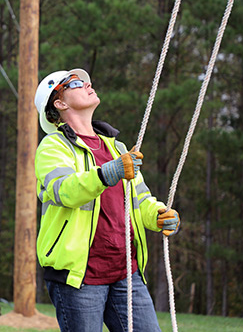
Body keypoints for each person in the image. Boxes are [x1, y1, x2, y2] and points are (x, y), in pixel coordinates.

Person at [34, 68, 181, 332]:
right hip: (80, 277)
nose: (88, 84)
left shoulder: (117, 148)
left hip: (126, 271)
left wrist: (159, 215)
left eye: (87, 81)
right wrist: (109, 172)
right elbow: (64, 191)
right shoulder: (52, 147)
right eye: (77, 83)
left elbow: (139, 199)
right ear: (60, 103)